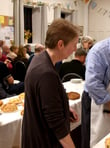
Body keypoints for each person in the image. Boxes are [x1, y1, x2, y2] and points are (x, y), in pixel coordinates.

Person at [22, 19, 79, 148]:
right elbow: (56, 123)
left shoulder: (40, 59)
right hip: (43, 140)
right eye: (74, 44)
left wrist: (65, 109)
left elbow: (45, 101)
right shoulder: (46, 73)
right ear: (60, 44)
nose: (75, 49)